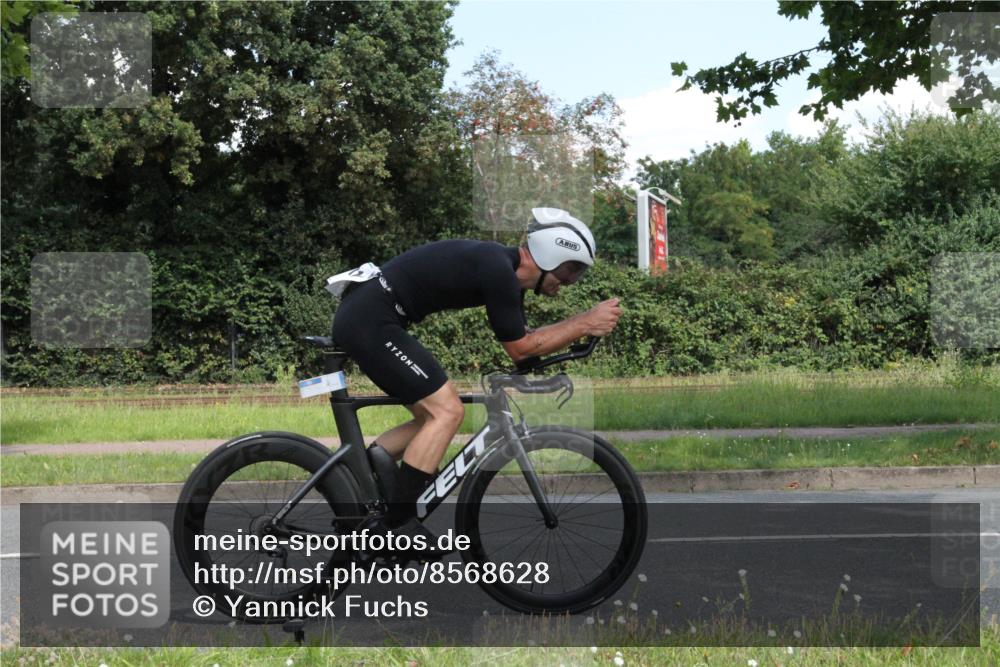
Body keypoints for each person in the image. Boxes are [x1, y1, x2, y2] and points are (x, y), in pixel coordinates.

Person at [331, 207, 621, 548]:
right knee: (447, 411)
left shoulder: (505, 272)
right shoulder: (497, 269)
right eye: (571, 270)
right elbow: (521, 348)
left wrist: (546, 376)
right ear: (550, 256)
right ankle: (398, 525)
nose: (571, 281)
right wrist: (584, 322)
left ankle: (369, 471)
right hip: (371, 320)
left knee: (431, 417)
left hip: (371, 316)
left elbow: (525, 349)